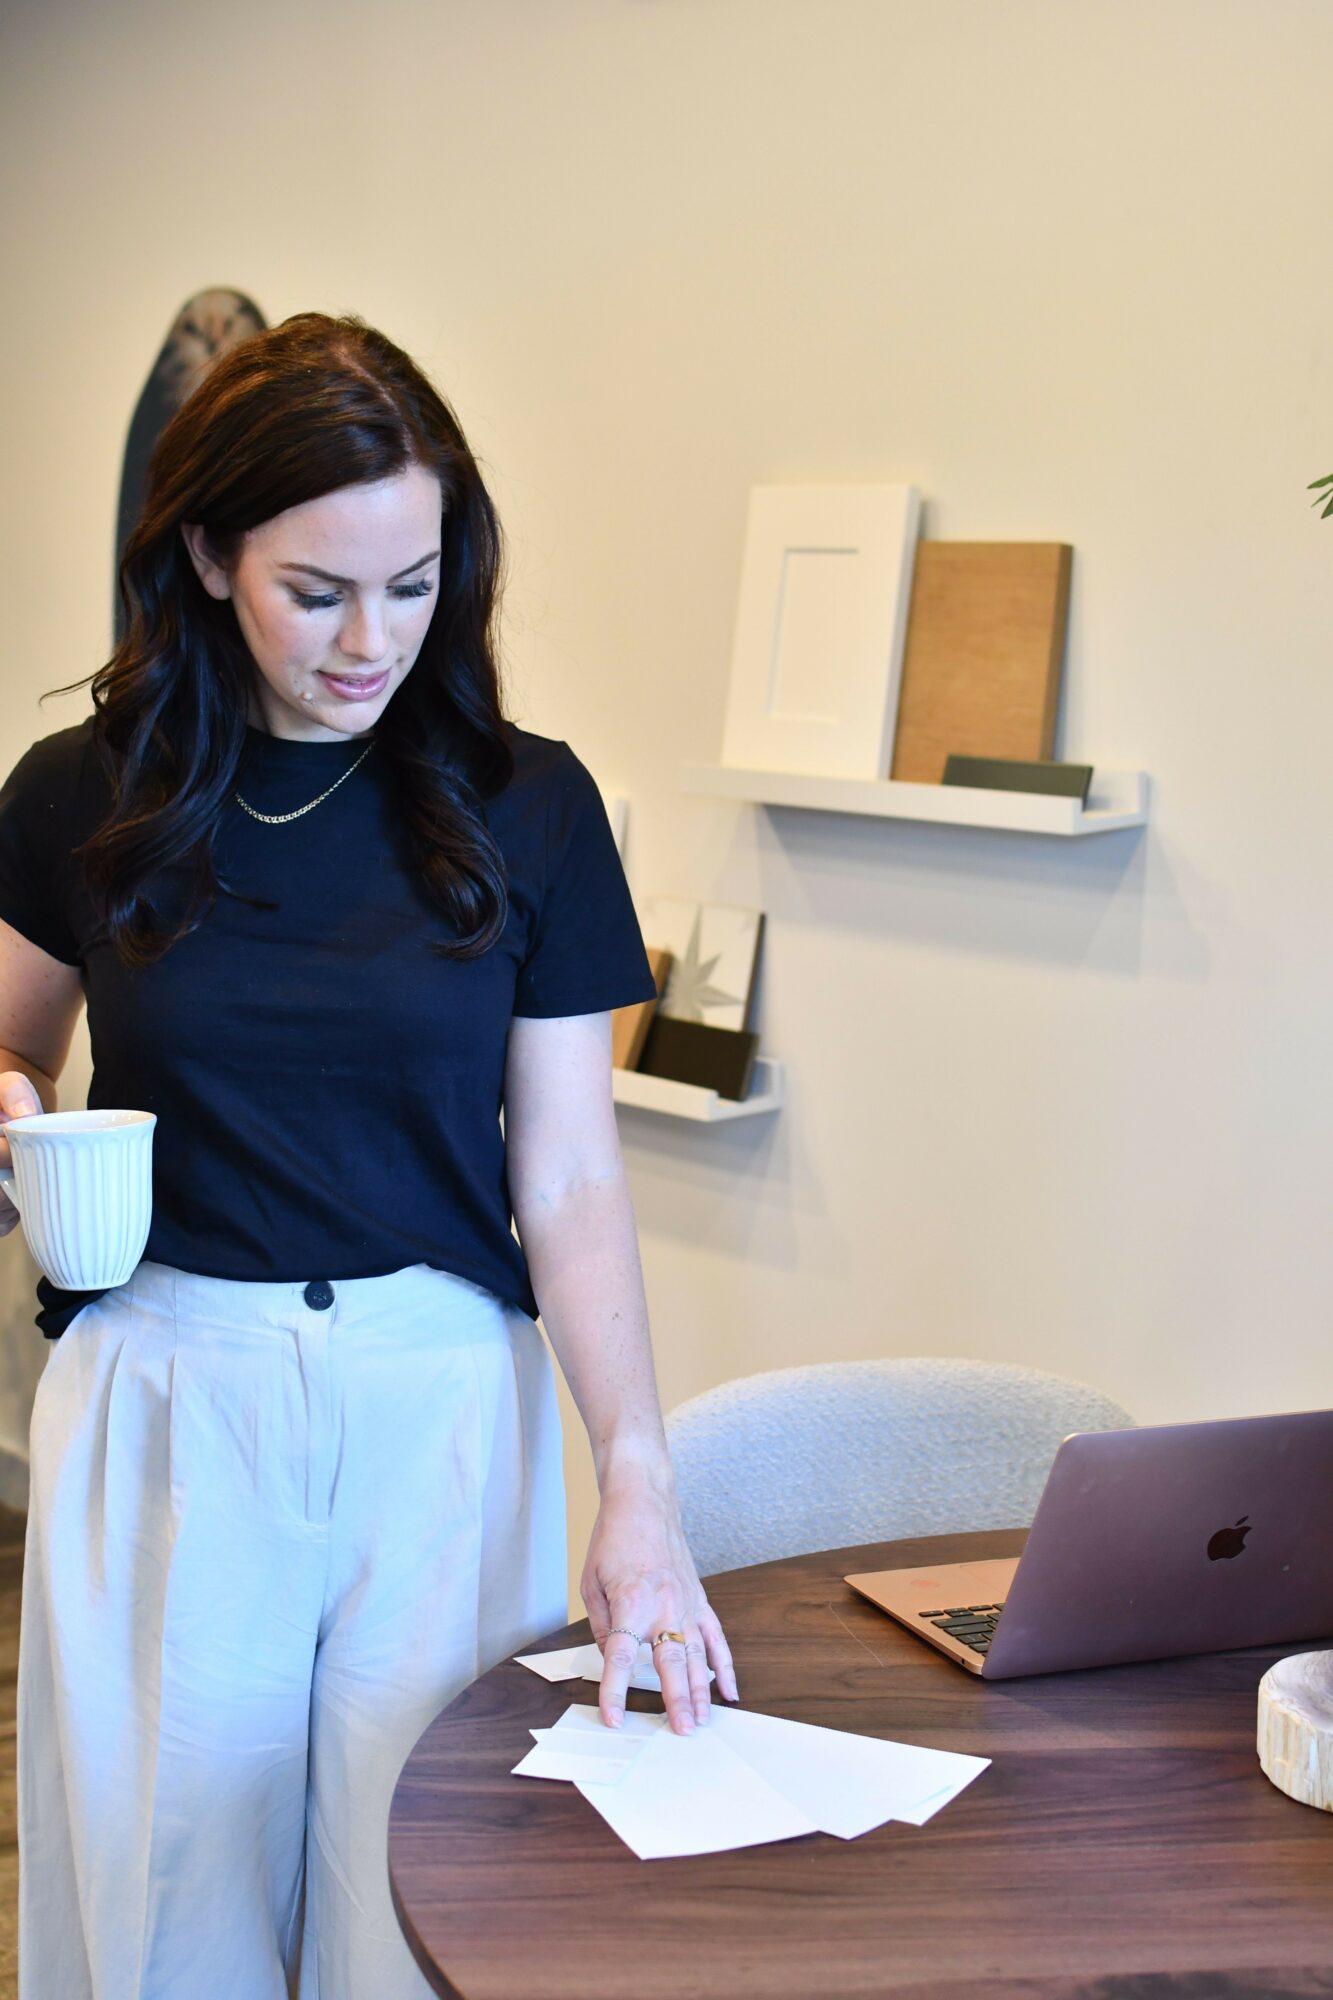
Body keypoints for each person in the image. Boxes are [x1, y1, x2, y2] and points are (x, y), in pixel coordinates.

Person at [0, 311, 738, 2000]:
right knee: (163, 1913)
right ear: (204, 555)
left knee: (419, 1902)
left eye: (409, 587)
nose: (369, 639)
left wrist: (635, 1479)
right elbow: (12, 1051)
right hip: (173, 1384)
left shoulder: (526, 803)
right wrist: (16, 1118)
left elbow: (563, 1178)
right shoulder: (81, 792)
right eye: (315, 591)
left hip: (440, 1403)